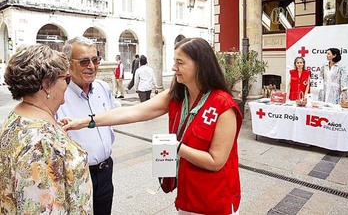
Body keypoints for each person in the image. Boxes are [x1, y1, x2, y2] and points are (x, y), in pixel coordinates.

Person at [61, 37, 242, 214]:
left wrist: (175, 147)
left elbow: (216, 162)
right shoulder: (178, 95)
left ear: (200, 66)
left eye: (180, 62)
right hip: (188, 195)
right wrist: (84, 121)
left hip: (216, 198)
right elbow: (134, 112)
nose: (173, 68)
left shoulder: (223, 106)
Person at [0, 44, 92, 214]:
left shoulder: (20, 116)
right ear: (47, 84)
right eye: (66, 79)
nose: (67, 85)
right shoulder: (41, 144)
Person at [57, 36, 117, 215]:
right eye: (84, 61)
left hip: (106, 170)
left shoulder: (102, 88)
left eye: (95, 60)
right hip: (76, 175)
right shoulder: (59, 95)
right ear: (68, 63)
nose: (91, 66)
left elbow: (112, 117)